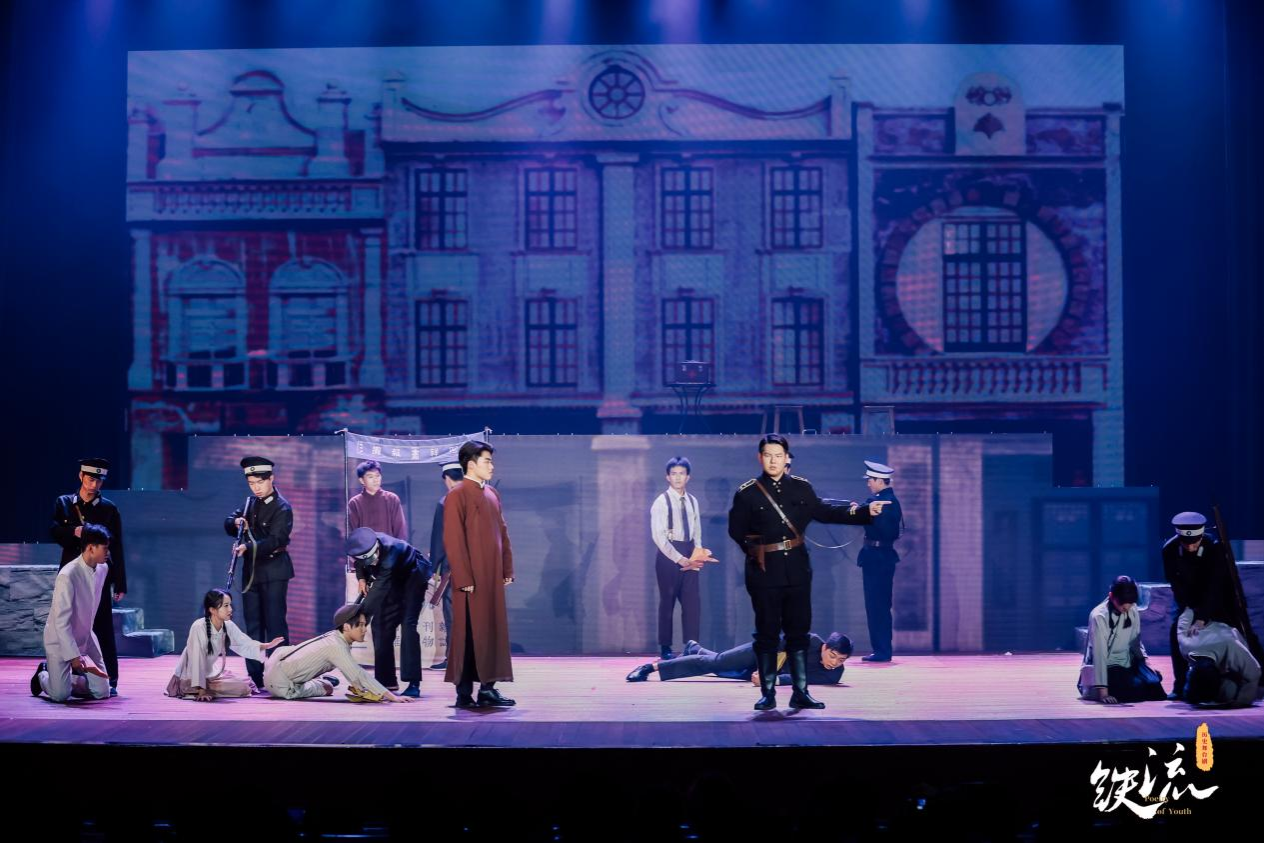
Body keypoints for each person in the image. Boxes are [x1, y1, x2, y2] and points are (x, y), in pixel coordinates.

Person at [727, 434, 884, 711]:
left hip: (797, 570)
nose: (773, 461)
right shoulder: (747, 493)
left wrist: (863, 512)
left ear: (786, 458)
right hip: (764, 572)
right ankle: (768, 693)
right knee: (767, 633)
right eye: (768, 455)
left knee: (798, 633)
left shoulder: (801, 488)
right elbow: (736, 530)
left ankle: (800, 692)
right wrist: (757, 556)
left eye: (778, 456)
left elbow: (825, 511)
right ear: (760, 458)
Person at [443, 440, 516, 709]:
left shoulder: (492, 494)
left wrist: (506, 568)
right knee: (468, 634)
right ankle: (464, 693)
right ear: (471, 464)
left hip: (491, 577)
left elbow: (502, 533)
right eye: (487, 461)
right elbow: (453, 540)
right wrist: (464, 579)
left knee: (492, 631)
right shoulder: (457, 495)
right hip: (471, 580)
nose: (492, 466)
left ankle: (488, 688)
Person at [49, 457, 126, 695]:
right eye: (90, 479)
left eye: (99, 481)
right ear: (81, 476)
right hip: (72, 570)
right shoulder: (64, 503)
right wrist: (74, 531)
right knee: (69, 619)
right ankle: (62, 671)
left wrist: (120, 582)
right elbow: (54, 531)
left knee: (102, 624)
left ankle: (110, 678)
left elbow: (117, 546)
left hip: (98, 572)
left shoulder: (109, 508)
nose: (94, 485)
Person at [222, 456, 293, 690]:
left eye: (260, 482)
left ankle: (280, 673)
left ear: (271, 478)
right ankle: (256, 676)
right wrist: (236, 522)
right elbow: (228, 520)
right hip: (251, 572)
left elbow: (276, 540)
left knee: (275, 625)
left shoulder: (282, 507)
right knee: (252, 626)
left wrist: (248, 547)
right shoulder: (250, 503)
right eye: (251, 483)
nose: (256, 488)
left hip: (274, 571)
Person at [1162, 512, 1246, 699]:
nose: (1190, 547)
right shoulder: (1170, 549)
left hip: (1218, 600)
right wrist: (1188, 612)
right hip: (1187, 600)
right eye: (1186, 543)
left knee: (1233, 634)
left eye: (1194, 543)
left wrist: (1201, 618)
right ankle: (1180, 684)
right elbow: (1176, 584)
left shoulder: (1214, 548)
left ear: (1201, 536)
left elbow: (1215, 586)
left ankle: (1238, 679)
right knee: (1176, 631)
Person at [263, 603, 411, 703]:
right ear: (346, 627)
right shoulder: (336, 646)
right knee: (328, 687)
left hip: (273, 666)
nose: (364, 629)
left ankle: (320, 679)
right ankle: (324, 680)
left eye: (365, 625)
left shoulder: (333, 637)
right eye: (360, 625)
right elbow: (358, 673)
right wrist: (391, 697)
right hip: (281, 685)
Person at [31, 524, 113, 702]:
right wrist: (74, 656)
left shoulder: (103, 569)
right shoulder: (68, 574)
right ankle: (43, 674)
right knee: (60, 695)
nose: (108, 552)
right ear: (91, 548)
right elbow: (61, 622)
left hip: (85, 636)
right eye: (105, 548)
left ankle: (68, 681)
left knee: (102, 691)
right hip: (60, 639)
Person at [347, 527, 432, 697]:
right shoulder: (364, 543)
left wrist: (360, 616)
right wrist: (361, 578)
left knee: (408, 625)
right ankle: (385, 681)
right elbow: (359, 562)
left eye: (373, 559)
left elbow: (379, 588)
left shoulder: (392, 552)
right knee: (380, 625)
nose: (371, 563)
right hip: (389, 580)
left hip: (412, 578)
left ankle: (413, 682)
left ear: (377, 549)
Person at [165, 589, 282, 701]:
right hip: (190, 676)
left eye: (230, 605)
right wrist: (202, 691)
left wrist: (267, 645)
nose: (230, 609)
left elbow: (243, 643)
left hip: (210, 674)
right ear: (212, 610)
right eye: (226, 605)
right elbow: (196, 659)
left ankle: (210, 687)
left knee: (246, 686)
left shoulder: (228, 625)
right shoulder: (198, 627)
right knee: (242, 688)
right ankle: (194, 689)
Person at [626, 632, 851, 687]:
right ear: (825, 647)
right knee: (716, 663)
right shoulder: (809, 640)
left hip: (770, 671)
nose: (834, 663)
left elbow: (801, 679)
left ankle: (695, 649)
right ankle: (650, 668)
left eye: (841, 660)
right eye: (832, 656)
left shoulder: (834, 674)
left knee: (726, 673)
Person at [1078, 575, 1166, 704]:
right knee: (1133, 689)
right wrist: (1103, 693)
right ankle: (1102, 689)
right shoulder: (1099, 616)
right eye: (1123, 607)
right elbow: (1099, 656)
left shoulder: (1132, 608)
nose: (1127, 610)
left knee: (1155, 688)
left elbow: (1136, 642)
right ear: (1111, 596)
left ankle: (1139, 680)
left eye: (1129, 606)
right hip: (1108, 666)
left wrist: (1146, 664)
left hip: (1128, 663)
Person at [650, 456, 705, 660]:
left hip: (690, 551)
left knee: (692, 603)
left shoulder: (693, 501)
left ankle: (692, 645)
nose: (678, 477)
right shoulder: (661, 502)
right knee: (668, 600)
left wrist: (698, 554)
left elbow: (697, 530)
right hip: (669, 554)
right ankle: (665, 647)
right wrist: (679, 558)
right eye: (674, 474)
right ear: (667, 477)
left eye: (682, 473)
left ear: (688, 477)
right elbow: (658, 537)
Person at [858, 461, 902, 662]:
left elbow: (883, 530)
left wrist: (862, 513)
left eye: (871, 480)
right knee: (878, 605)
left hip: (877, 558)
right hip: (879, 558)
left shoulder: (883, 502)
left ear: (880, 481)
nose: (868, 483)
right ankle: (881, 650)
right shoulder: (887, 500)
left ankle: (882, 651)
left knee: (877, 606)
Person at [1176, 607, 1260, 707]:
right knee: (1217, 694)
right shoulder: (1185, 643)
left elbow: (1255, 671)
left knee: (1228, 693)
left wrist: (1241, 702)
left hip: (1228, 636)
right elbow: (1186, 613)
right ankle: (1205, 694)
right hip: (1213, 641)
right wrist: (1196, 612)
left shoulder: (1231, 647)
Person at [427, 462, 463, 670]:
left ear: (447, 479)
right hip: (480, 568)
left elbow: (439, 540)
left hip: (455, 569)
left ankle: (454, 659)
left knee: (453, 615)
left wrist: (433, 567)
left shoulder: (446, 501)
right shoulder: (479, 497)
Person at [347, 459, 408, 539]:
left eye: (377, 476)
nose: (375, 480)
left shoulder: (392, 499)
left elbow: (400, 529)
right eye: (370, 477)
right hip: (365, 546)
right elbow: (353, 532)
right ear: (362, 480)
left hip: (389, 546)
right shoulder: (355, 503)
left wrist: (398, 546)